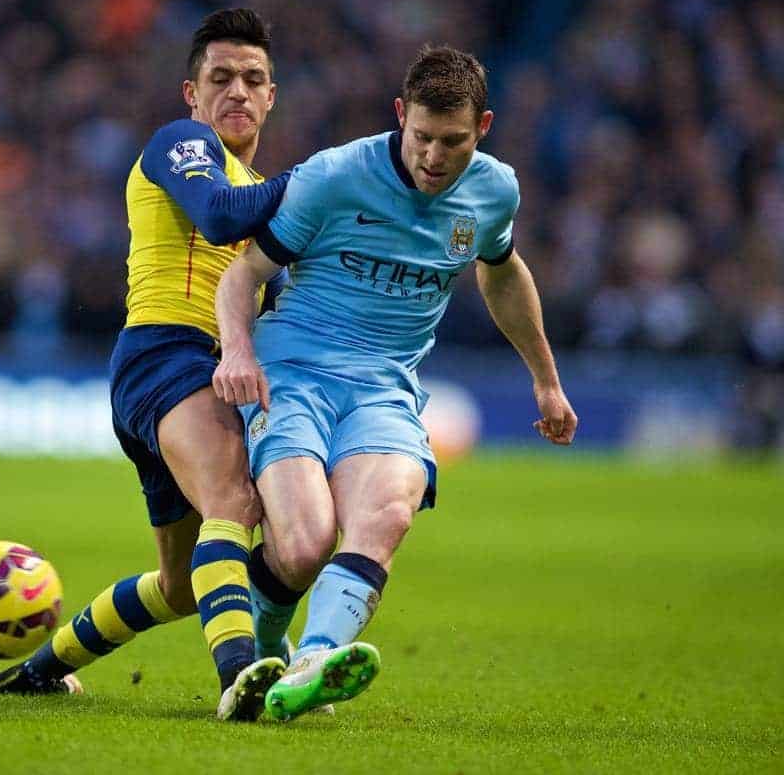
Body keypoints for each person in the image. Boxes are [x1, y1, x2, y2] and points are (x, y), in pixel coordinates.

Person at [212, 45, 579, 721]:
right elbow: (243, 274)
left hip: (385, 388)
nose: (435, 158)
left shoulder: (494, 190)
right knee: (301, 546)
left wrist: (546, 382)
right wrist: (238, 350)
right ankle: (264, 655)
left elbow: (500, 271)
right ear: (400, 115)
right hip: (293, 375)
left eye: (455, 143)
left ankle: (311, 662)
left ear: (485, 127)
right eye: (423, 139)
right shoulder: (332, 176)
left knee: (387, 515)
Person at [0, 8, 291, 721]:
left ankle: (36, 673)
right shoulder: (181, 142)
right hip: (167, 355)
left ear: (273, 94)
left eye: (253, 79)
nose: (237, 92)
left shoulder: (262, 184)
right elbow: (216, 214)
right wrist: (321, 181)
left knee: (183, 585)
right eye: (221, 78)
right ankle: (242, 680)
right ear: (192, 92)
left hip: (194, 374)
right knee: (234, 503)